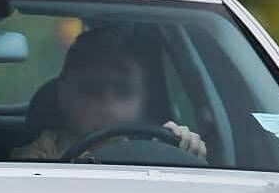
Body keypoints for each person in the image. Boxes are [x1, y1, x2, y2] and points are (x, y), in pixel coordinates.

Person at [13, 26, 207, 161]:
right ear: (63, 95)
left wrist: (184, 154)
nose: (108, 106)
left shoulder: (158, 149)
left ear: (143, 99)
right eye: (91, 89)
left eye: (124, 91)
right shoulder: (43, 151)